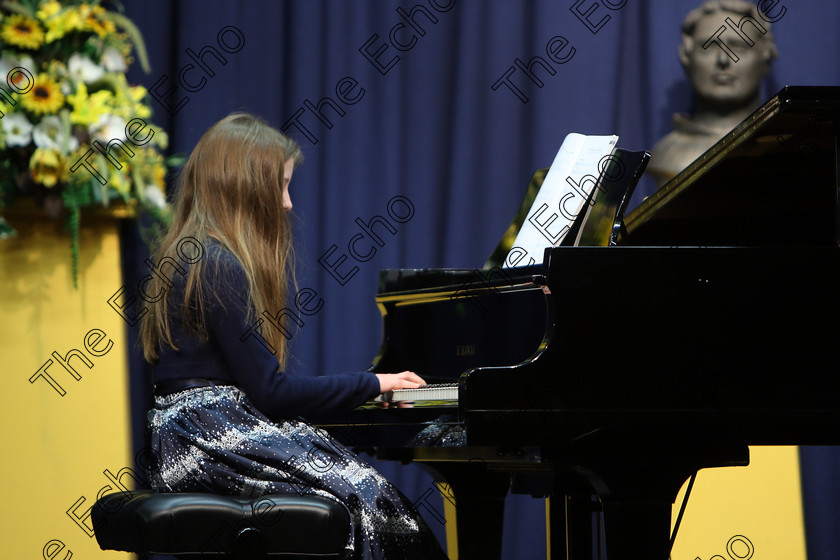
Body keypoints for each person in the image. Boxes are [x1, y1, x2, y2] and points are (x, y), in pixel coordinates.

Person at [138, 113, 449, 560]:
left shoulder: (190, 254)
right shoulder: (218, 264)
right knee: (369, 495)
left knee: (354, 485)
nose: (286, 203)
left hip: (186, 438)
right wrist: (377, 383)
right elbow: (273, 393)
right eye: (280, 186)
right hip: (208, 439)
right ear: (246, 189)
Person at [647, 0, 778, 187]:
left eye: (738, 46)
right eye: (709, 46)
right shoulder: (666, 154)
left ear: (765, 57)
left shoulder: (783, 147)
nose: (723, 60)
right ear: (686, 56)